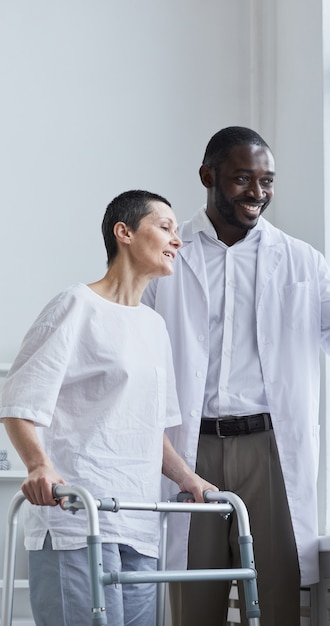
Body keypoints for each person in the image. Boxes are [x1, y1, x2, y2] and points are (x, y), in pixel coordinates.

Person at [141, 126, 330, 626]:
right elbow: (139, 357)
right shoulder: (169, 260)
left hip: (269, 450)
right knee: (192, 606)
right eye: (243, 179)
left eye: (267, 181)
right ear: (208, 176)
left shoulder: (301, 260)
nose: (257, 193)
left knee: (275, 608)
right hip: (191, 452)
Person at [0, 189, 216, 626]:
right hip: (77, 521)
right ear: (125, 232)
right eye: (165, 227)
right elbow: (19, 400)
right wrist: (39, 465)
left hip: (137, 523)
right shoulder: (76, 305)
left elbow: (149, 430)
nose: (177, 240)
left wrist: (190, 480)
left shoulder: (154, 327)